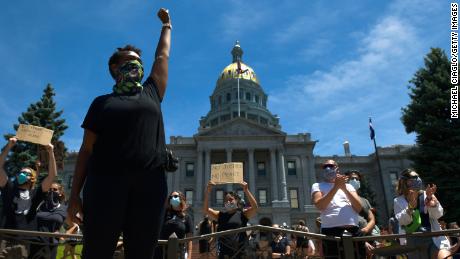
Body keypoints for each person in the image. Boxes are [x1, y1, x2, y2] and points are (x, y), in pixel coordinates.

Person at [66, 7, 172, 259]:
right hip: (105, 185)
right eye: (129, 59)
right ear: (115, 68)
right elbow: (87, 150)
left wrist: (167, 26)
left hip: (149, 187)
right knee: (97, 252)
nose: (135, 63)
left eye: (138, 60)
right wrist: (73, 197)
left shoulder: (152, 92)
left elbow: (162, 57)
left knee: (141, 253)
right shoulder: (101, 103)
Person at [0, 137, 57, 259]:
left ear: (32, 178)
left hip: (25, 240)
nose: (22, 174)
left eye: (26, 173)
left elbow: (52, 176)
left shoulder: (36, 193)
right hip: (4, 238)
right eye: (21, 172)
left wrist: (50, 152)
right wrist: (8, 147)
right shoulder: (9, 187)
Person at [393, 169, 451, 259]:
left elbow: (438, 214)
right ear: (405, 182)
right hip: (413, 243)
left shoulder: (426, 195)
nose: (417, 179)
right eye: (413, 178)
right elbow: (402, 221)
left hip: (433, 240)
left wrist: (433, 205)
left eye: (417, 177)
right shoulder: (398, 201)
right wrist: (410, 208)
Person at [311, 159, 362, 258]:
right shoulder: (317, 186)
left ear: (337, 168)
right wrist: (336, 187)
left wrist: (343, 188)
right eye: (325, 167)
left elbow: (358, 207)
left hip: (353, 231)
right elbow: (320, 205)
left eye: (330, 166)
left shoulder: (348, 186)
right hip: (331, 232)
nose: (327, 168)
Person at [203, 181, 258, 259]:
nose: (228, 202)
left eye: (231, 199)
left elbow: (255, 208)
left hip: (240, 253)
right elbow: (205, 210)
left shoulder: (242, 214)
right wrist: (208, 191)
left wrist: (246, 190)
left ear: (236, 201)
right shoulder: (220, 215)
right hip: (224, 254)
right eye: (226, 200)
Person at [29, 182, 67, 259]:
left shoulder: (64, 209)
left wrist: (62, 235)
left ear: (60, 193)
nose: (51, 191)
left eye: (55, 189)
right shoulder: (39, 205)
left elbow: (74, 225)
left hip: (51, 245)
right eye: (49, 189)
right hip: (35, 243)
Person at [345, 170, 376, 258]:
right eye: (352, 178)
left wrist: (365, 230)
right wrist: (362, 241)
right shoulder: (342, 199)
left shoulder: (364, 200)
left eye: (357, 179)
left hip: (369, 239)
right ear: (347, 180)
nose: (355, 181)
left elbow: (372, 219)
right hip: (354, 242)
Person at [155, 191, 193, 259]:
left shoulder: (187, 217)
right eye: (170, 197)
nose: (172, 198)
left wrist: (189, 256)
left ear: (181, 199)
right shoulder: (164, 214)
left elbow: (189, 239)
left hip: (178, 253)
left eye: (175, 196)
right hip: (161, 252)